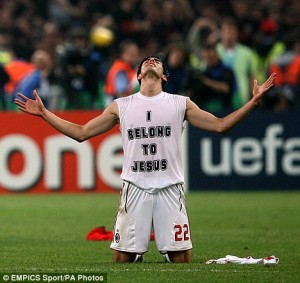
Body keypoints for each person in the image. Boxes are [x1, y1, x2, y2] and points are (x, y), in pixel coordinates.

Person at [14, 56, 276, 263]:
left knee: (181, 260)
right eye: (145, 62)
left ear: (164, 76)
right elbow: (82, 133)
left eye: (156, 60)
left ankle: (162, 245)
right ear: (138, 75)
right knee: (121, 259)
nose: (150, 61)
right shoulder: (122, 105)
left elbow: (221, 126)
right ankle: (137, 249)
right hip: (135, 187)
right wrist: (45, 114)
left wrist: (253, 102)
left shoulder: (180, 103)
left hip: (170, 188)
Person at [183, 43, 235, 113]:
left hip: (224, 109)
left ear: (216, 55)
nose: (208, 59)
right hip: (207, 109)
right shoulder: (204, 71)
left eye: (210, 56)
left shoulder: (226, 70)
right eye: (206, 57)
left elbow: (226, 88)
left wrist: (206, 81)